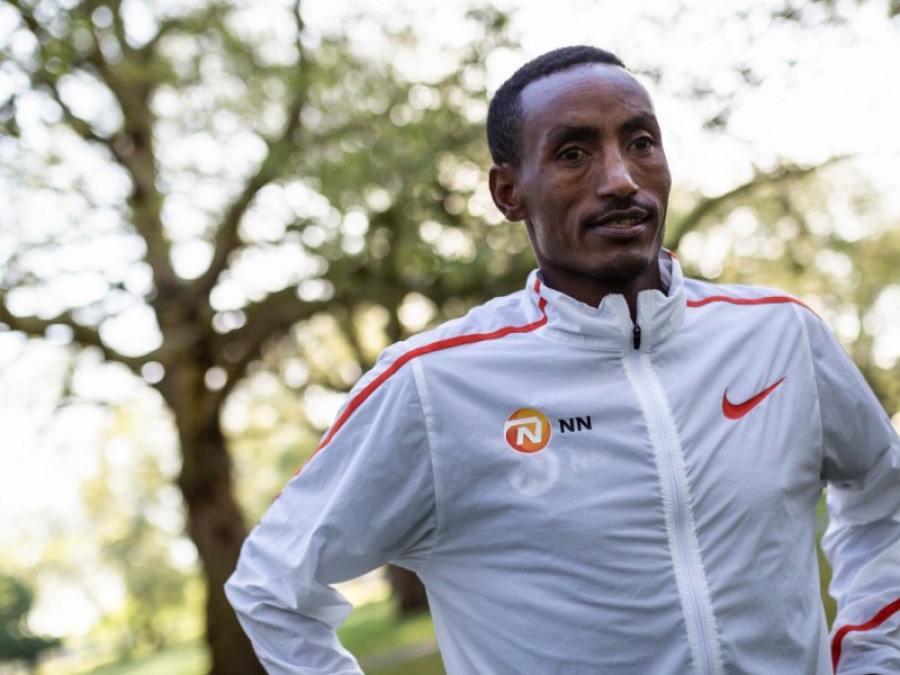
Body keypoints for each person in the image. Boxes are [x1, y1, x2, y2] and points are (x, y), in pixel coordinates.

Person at [225, 45, 900, 674]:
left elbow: (884, 496)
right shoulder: (433, 386)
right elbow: (272, 584)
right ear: (508, 192)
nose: (620, 179)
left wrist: (874, 656)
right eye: (573, 153)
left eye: (640, 143)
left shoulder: (781, 335)